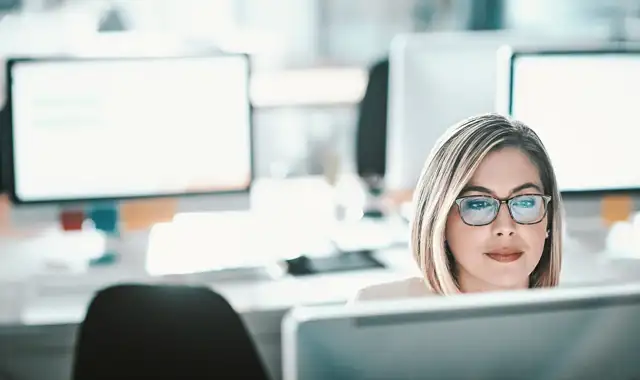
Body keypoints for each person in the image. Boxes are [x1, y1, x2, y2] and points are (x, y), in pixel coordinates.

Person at [352, 113, 563, 301]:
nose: (505, 227)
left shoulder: (583, 326)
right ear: (440, 221)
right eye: (478, 204)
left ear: (549, 221)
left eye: (526, 202)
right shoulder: (376, 312)